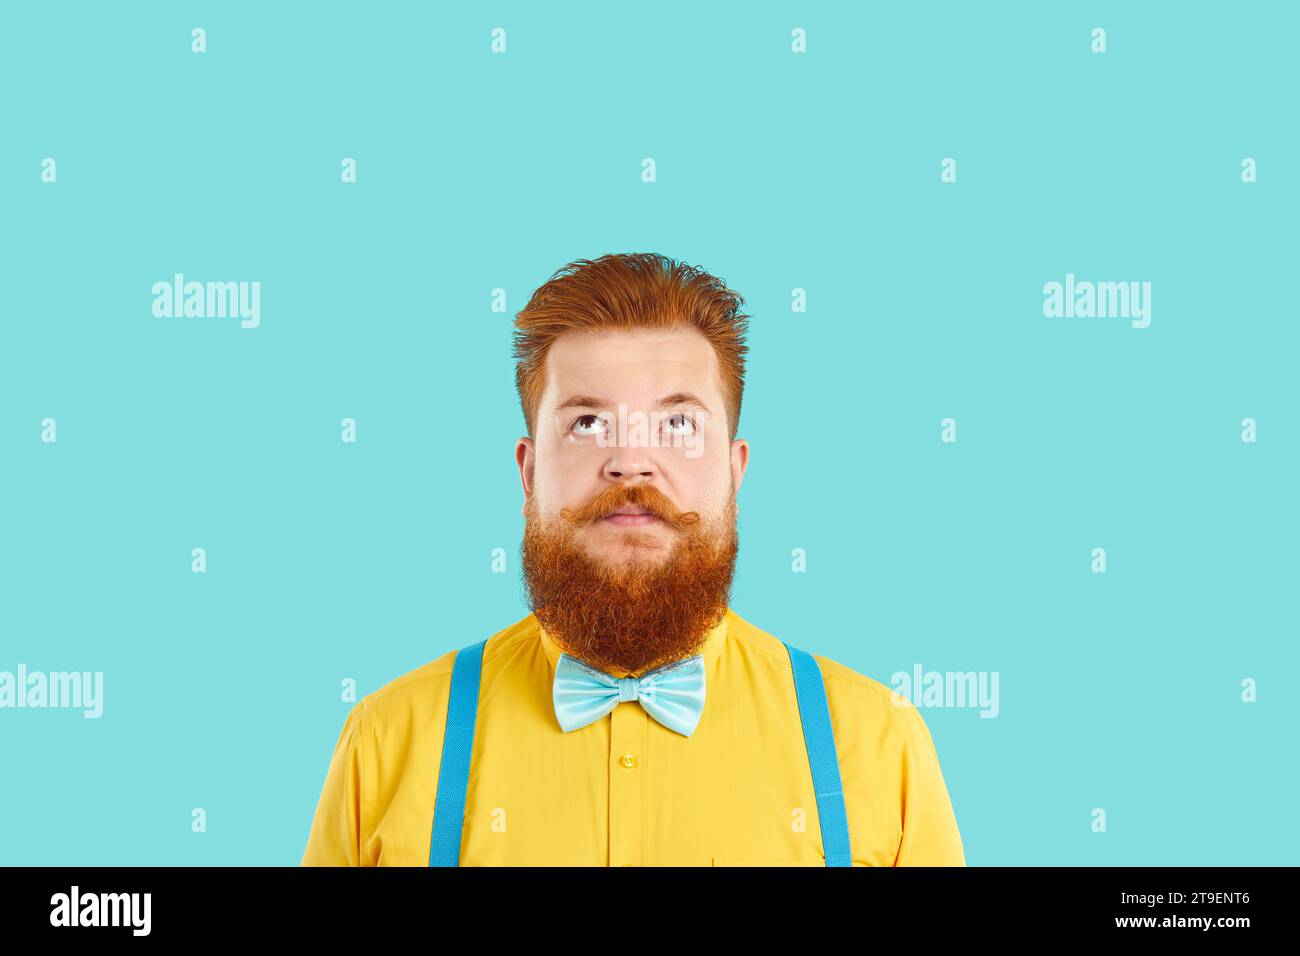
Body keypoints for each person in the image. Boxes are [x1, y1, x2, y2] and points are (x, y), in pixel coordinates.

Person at [301, 252, 966, 866]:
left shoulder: (880, 746)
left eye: (678, 423)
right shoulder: (387, 742)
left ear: (735, 474)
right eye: (588, 423)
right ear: (529, 475)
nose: (631, 461)